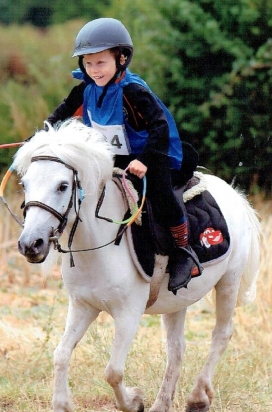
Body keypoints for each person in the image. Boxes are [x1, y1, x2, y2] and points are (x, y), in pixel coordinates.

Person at [45, 17, 202, 294]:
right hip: (116, 158)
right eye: (88, 63)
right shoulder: (86, 88)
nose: (94, 70)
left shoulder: (134, 91)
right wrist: (41, 137)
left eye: (101, 63)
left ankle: (182, 250)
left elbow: (160, 128)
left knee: (161, 193)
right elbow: (62, 112)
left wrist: (144, 160)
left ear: (121, 58)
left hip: (152, 153)